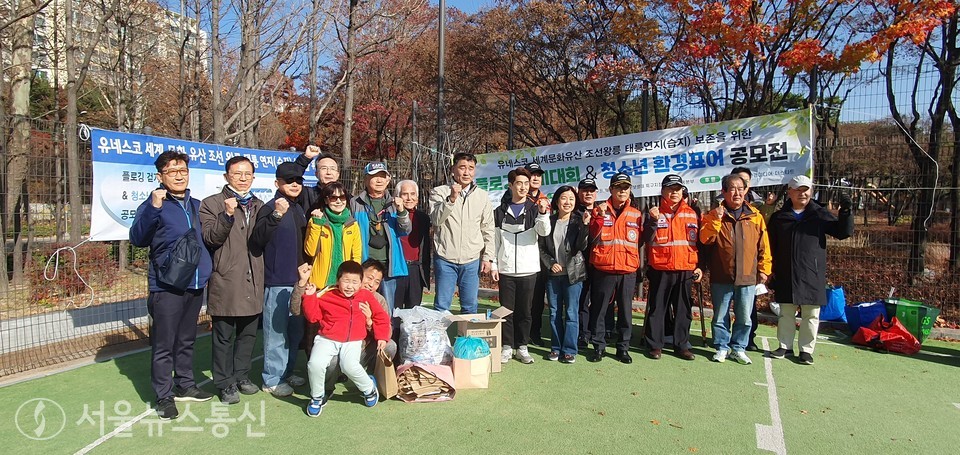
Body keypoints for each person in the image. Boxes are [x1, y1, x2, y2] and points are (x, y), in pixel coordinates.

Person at [130, 150, 214, 420]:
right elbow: (138, 238)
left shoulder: (196, 204)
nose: (178, 175)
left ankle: (186, 384)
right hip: (166, 286)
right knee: (164, 343)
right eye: (172, 171)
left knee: (187, 339)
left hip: (194, 284)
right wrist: (154, 207)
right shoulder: (154, 204)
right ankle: (164, 395)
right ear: (160, 176)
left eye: (183, 171)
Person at [199, 156, 265, 404]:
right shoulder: (211, 204)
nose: (243, 178)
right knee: (224, 336)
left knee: (248, 335)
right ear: (227, 176)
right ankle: (225, 382)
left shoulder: (258, 204)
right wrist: (227, 215)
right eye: (237, 173)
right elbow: (211, 238)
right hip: (226, 279)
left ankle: (242, 376)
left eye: (248, 173)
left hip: (254, 277)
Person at [768, 175, 853, 365]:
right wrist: (771, 269)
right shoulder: (779, 218)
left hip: (811, 274)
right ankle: (785, 346)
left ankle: (806, 350)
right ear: (789, 192)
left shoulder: (819, 214)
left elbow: (842, 232)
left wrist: (846, 212)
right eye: (798, 189)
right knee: (786, 312)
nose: (802, 193)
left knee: (811, 314)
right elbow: (770, 245)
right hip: (785, 272)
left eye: (806, 189)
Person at [249, 162, 308, 397]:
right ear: (277, 184)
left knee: (295, 332)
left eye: (298, 181)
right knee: (277, 333)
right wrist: (276, 215)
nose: (295, 184)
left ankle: (287, 371)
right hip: (277, 282)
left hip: (299, 281)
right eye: (289, 181)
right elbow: (256, 241)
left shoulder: (298, 208)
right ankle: (272, 378)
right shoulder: (271, 208)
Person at [302, 261, 390, 417]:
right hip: (327, 338)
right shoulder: (327, 294)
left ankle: (369, 389)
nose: (350, 286)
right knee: (315, 364)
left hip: (353, 340)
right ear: (338, 280)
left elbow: (381, 317)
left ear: (360, 282)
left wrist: (382, 336)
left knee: (349, 365)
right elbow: (313, 316)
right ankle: (316, 397)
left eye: (355, 282)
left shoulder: (366, 296)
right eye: (346, 281)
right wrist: (309, 297)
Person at [700, 174, 772, 365]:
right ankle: (721, 347)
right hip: (722, 275)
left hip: (747, 276)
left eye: (741, 189)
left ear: (746, 191)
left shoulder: (755, 217)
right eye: (732, 189)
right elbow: (705, 239)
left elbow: (763, 245)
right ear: (724, 192)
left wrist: (764, 269)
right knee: (720, 315)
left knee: (744, 317)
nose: (737, 193)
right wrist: (716, 220)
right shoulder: (714, 215)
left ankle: (739, 348)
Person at [491, 167, 551, 364]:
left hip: (529, 269)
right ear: (511, 186)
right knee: (506, 310)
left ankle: (522, 347)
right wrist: (493, 265)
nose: (523, 187)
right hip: (506, 269)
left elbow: (543, 232)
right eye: (519, 183)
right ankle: (507, 346)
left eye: (526, 183)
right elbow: (495, 240)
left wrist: (543, 214)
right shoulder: (499, 211)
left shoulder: (535, 209)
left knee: (526, 311)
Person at [642, 174, 703, 361]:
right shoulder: (654, 212)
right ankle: (655, 345)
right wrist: (652, 221)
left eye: (678, 189)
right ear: (663, 191)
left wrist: (699, 266)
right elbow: (645, 238)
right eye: (670, 189)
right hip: (661, 268)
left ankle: (682, 345)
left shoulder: (692, 212)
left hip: (685, 268)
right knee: (658, 308)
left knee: (683, 309)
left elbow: (698, 243)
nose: (674, 192)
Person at [587, 172, 644, 364]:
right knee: (600, 310)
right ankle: (599, 347)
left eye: (625, 187)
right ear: (610, 189)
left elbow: (641, 240)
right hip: (604, 268)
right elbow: (592, 236)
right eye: (618, 187)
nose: (622, 191)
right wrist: (600, 217)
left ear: (629, 191)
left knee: (626, 312)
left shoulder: (636, 214)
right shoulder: (599, 210)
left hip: (627, 270)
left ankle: (623, 348)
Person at [428, 152, 495, 314]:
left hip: (471, 260)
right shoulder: (439, 192)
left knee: (470, 307)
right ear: (453, 170)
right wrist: (451, 199)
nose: (466, 172)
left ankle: (466, 340)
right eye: (462, 168)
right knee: (442, 307)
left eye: (471, 168)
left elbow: (488, 229)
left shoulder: (482, 196)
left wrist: (488, 257)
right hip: (445, 259)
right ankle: (440, 340)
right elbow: (436, 219)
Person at [350, 162, 412, 315]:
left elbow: (405, 230)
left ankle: (385, 337)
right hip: (364, 263)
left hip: (388, 265)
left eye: (382, 176)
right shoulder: (355, 203)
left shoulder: (394, 203)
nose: (379, 180)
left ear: (388, 179)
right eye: (374, 176)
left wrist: (402, 211)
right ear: (365, 180)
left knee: (386, 309)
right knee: (360, 305)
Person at [539, 185, 590, 363]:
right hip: (553, 276)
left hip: (573, 275)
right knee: (554, 313)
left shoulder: (578, 221)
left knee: (571, 312)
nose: (567, 202)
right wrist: (550, 263)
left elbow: (581, 246)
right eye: (563, 198)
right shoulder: (549, 221)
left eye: (571, 199)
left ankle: (569, 350)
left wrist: (584, 226)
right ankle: (555, 347)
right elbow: (541, 248)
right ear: (557, 201)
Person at [304, 181, 363, 287]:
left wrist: (354, 280)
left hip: (344, 284)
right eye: (333, 198)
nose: (338, 201)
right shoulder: (316, 221)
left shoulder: (352, 224)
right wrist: (317, 224)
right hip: (320, 283)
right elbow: (310, 251)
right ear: (326, 200)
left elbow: (357, 256)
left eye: (342, 197)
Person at [394, 179, 432, 309]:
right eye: (405, 194)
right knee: (394, 310)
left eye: (413, 194)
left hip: (416, 269)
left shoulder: (424, 218)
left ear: (417, 197)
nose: (409, 198)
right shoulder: (391, 216)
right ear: (398, 196)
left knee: (414, 311)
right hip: (397, 268)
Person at [576, 178, 600, 347]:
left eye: (592, 190)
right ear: (579, 193)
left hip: (600, 263)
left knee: (600, 299)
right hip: (581, 263)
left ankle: (599, 332)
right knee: (582, 299)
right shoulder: (573, 212)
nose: (589, 193)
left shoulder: (603, 212)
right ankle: (583, 334)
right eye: (585, 190)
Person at [292, 145, 343, 213]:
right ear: (316, 174)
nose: (328, 172)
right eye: (324, 168)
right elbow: (291, 177)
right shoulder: (306, 194)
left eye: (332, 169)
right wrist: (306, 158)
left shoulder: (346, 198)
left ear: (338, 174)